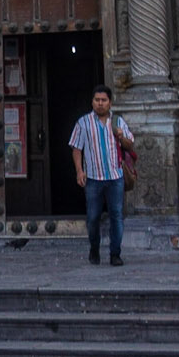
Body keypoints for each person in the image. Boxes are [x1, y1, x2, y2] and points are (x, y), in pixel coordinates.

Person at [69, 84, 136, 267]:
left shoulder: (118, 122)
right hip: (93, 179)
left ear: (110, 103)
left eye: (103, 100)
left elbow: (130, 145)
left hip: (115, 177)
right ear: (92, 102)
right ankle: (94, 248)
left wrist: (122, 137)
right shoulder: (83, 123)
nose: (100, 104)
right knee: (92, 217)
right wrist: (79, 171)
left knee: (116, 216)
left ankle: (115, 253)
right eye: (97, 100)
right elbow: (76, 148)